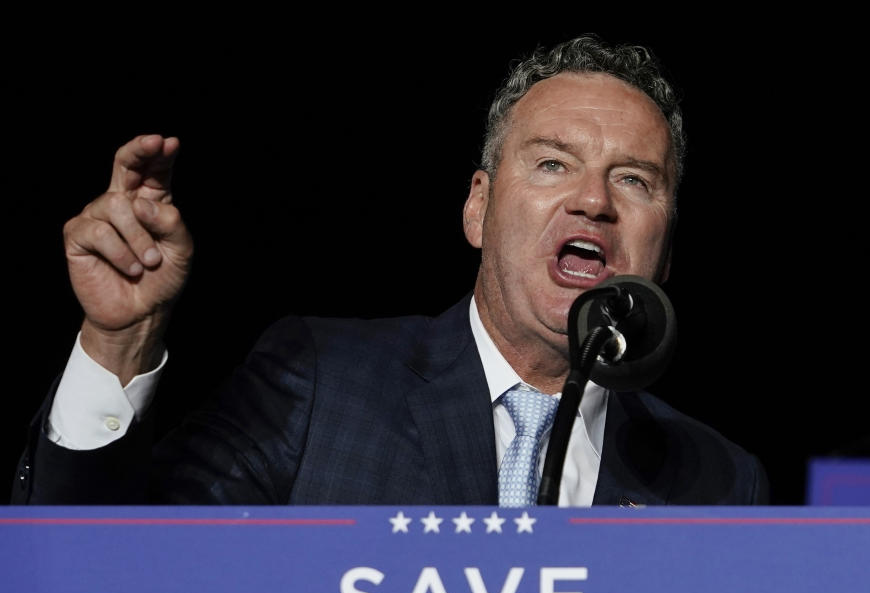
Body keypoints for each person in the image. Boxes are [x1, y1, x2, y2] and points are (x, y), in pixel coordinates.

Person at [12, 35, 767, 506]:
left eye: (634, 179)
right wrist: (118, 346)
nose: (594, 200)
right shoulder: (319, 385)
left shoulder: (717, 483)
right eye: (551, 164)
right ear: (479, 209)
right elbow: (106, 575)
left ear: (664, 250)